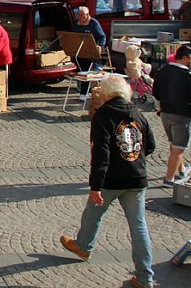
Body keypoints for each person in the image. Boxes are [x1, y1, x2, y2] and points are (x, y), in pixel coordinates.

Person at [60, 74, 156, 288]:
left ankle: (84, 246)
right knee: (139, 227)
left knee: (93, 213)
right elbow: (150, 145)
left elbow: (101, 153)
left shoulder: (104, 115)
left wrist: (95, 186)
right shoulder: (138, 113)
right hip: (137, 177)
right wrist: (132, 158)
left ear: (105, 94)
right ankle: (145, 277)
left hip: (111, 180)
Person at [152, 45, 191, 186]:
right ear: (184, 58)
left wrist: (159, 109)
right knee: (178, 148)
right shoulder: (190, 75)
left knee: (174, 144)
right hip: (182, 115)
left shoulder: (162, 71)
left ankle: (182, 169)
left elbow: (155, 93)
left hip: (165, 113)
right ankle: (169, 179)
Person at [72, 6, 106, 101]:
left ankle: (83, 93)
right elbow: (73, 35)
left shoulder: (94, 23)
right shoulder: (76, 24)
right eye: (78, 16)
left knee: (87, 71)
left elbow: (102, 37)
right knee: (79, 70)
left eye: (82, 16)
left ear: (87, 15)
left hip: (91, 53)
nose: (80, 18)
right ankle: (82, 89)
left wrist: (99, 45)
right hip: (80, 52)